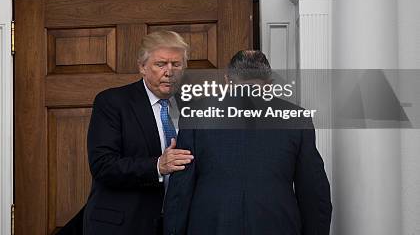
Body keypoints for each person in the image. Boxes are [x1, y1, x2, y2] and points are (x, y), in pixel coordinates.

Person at [163, 50, 332, 234]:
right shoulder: (298, 118)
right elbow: (315, 194)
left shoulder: (195, 115)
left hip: (212, 225)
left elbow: (180, 191)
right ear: (269, 84)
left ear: (228, 80)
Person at [84, 31, 194, 234]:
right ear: (142, 67)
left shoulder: (195, 106)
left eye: (176, 64)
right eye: (161, 64)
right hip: (125, 225)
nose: (169, 72)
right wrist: (157, 166)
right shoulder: (113, 102)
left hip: (181, 224)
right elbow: (103, 165)